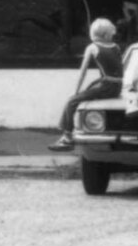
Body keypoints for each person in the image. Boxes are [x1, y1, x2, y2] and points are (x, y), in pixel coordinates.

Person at [49, 18, 126, 150]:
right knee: (91, 87)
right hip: (117, 87)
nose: (113, 35)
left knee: (72, 101)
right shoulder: (116, 47)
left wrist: (76, 91)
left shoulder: (92, 47)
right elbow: (120, 69)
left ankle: (67, 136)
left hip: (107, 86)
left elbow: (82, 73)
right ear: (106, 34)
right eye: (111, 33)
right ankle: (67, 134)